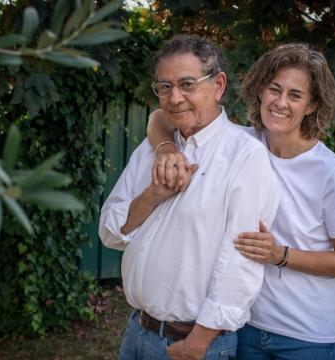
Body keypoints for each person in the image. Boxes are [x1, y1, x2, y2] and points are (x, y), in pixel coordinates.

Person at [147, 43, 335, 360]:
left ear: (312, 105)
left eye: (295, 95)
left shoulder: (330, 174)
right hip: (245, 326)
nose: (280, 103)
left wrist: (282, 255)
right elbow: (158, 118)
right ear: (260, 91)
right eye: (274, 90)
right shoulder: (240, 143)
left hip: (306, 337)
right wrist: (167, 150)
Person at [98, 34, 280, 360]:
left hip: (192, 345)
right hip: (137, 331)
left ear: (218, 85)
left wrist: (198, 343)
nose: (175, 97)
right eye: (164, 87)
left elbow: (240, 262)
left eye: (187, 84)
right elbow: (110, 231)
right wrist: (153, 194)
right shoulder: (152, 150)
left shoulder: (244, 156)